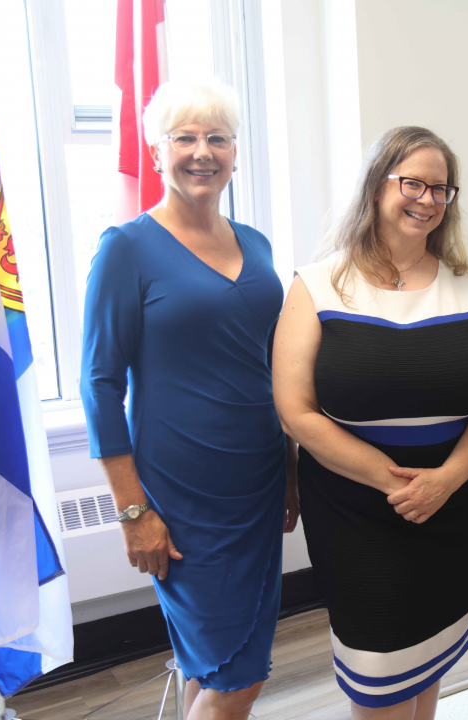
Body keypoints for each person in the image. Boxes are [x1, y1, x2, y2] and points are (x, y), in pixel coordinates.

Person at [271, 126, 468, 720]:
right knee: (379, 677)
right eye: (413, 183)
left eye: (441, 188)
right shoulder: (318, 284)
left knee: (425, 662)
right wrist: (394, 482)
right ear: (377, 187)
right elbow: (295, 409)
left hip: (454, 505)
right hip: (358, 513)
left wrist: (447, 480)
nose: (427, 199)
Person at [80, 80, 298, 720]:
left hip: (256, 486)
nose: (202, 152)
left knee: (221, 661)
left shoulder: (255, 245)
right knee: (237, 676)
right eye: (184, 138)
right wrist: (132, 512)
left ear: (235, 152)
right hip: (181, 498)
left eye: (217, 138)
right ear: (156, 153)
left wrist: (287, 471)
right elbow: (100, 385)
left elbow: (269, 365)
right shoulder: (125, 249)